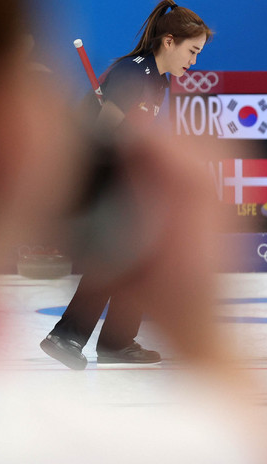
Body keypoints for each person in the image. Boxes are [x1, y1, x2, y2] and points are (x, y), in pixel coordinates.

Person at [40, 0, 214, 369]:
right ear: (169, 41)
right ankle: (71, 336)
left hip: (110, 172)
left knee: (139, 252)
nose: (194, 61)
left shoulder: (157, 79)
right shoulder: (133, 74)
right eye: (192, 51)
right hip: (90, 171)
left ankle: (113, 340)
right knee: (123, 252)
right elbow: (102, 135)